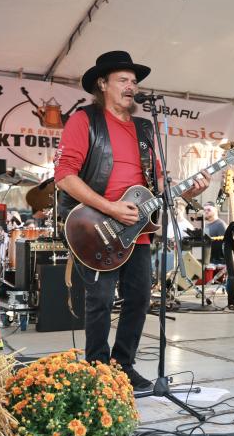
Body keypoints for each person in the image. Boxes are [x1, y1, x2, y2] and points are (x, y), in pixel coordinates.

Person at [55, 51, 210, 391]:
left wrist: (187, 191)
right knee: (101, 300)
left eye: (134, 81)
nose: (131, 87)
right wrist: (110, 208)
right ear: (102, 84)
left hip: (138, 231)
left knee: (140, 299)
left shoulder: (144, 128)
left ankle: (123, 366)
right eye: (123, 80)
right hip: (96, 226)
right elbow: (65, 176)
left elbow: (157, 183)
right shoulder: (86, 120)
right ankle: (97, 371)